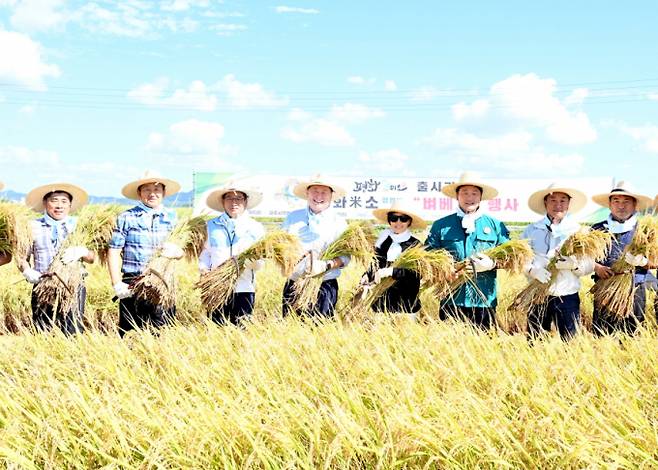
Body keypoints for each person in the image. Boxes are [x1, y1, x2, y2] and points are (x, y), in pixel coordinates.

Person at [425, 171, 509, 330]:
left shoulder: (496, 226)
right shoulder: (441, 225)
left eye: (474, 193)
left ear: (481, 197)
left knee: (482, 349)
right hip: (451, 298)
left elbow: (511, 257)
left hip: (483, 300)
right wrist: (443, 270)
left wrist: (492, 264)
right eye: (465, 193)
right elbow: (427, 258)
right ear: (457, 196)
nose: (469, 197)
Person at [108, 170, 184, 337]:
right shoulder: (127, 217)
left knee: (162, 331)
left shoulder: (172, 217)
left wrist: (177, 252)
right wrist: (117, 284)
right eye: (147, 189)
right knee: (131, 333)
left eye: (157, 190)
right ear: (139, 193)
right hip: (133, 281)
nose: (152, 194)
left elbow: (180, 252)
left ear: (164, 192)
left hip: (162, 281)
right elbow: (114, 251)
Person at [20, 182, 94, 334]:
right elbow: (21, 257)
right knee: (42, 330)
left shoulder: (79, 226)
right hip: (43, 284)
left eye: (64, 201)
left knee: (72, 330)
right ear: (45, 203)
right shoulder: (31, 226)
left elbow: (92, 258)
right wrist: (28, 271)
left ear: (70, 205)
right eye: (54, 200)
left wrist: (82, 251)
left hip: (73, 284)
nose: (59, 205)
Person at [522, 183, 593, 340]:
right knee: (535, 342)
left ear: (569, 204)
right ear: (545, 203)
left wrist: (573, 265)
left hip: (566, 296)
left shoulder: (578, 232)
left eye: (562, 201)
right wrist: (532, 270)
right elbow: (521, 259)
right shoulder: (531, 230)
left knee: (570, 342)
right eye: (553, 200)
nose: (558, 205)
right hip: (537, 295)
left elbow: (589, 264)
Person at [590, 181, 654, 335]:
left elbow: (656, 261)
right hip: (604, 290)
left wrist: (643, 262)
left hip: (635, 291)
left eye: (626, 202)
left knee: (631, 336)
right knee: (602, 336)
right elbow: (584, 259)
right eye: (616, 201)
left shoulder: (645, 229)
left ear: (635, 205)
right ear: (610, 204)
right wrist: (597, 267)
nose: (621, 206)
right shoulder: (597, 229)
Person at [281, 175, 350, 318]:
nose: (319, 196)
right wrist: (284, 262)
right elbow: (281, 246)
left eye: (324, 192)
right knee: (290, 331)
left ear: (331, 195)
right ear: (307, 193)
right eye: (315, 191)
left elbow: (345, 257)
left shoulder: (339, 223)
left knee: (320, 333)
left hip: (325, 286)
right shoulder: (293, 218)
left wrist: (326, 265)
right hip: (295, 284)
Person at [199, 182, 265, 325]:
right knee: (216, 329)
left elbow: (262, 258)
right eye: (229, 198)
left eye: (239, 198)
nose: (233, 202)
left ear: (246, 201)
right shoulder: (211, 226)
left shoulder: (256, 227)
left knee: (242, 329)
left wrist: (256, 264)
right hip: (216, 287)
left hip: (244, 287)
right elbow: (205, 252)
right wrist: (203, 268)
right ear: (223, 201)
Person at [363, 201, 427, 315]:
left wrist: (390, 271)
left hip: (406, 305)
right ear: (389, 220)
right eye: (394, 218)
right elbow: (376, 263)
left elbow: (417, 273)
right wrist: (366, 276)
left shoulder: (415, 245)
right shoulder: (383, 241)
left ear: (409, 221)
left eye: (403, 219)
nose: (398, 222)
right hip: (381, 304)